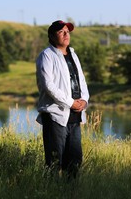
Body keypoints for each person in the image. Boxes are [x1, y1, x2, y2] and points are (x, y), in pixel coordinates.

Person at [36, 20, 89, 179]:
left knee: (74, 161)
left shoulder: (73, 54)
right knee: (54, 162)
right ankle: (51, 192)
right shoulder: (47, 55)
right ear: (52, 36)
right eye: (61, 32)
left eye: (68, 31)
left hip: (74, 116)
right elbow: (48, 85)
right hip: (55, 115)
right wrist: (71, 102)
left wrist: (84, 101)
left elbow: (82, 81)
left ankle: (71, 193)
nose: (66, 34)